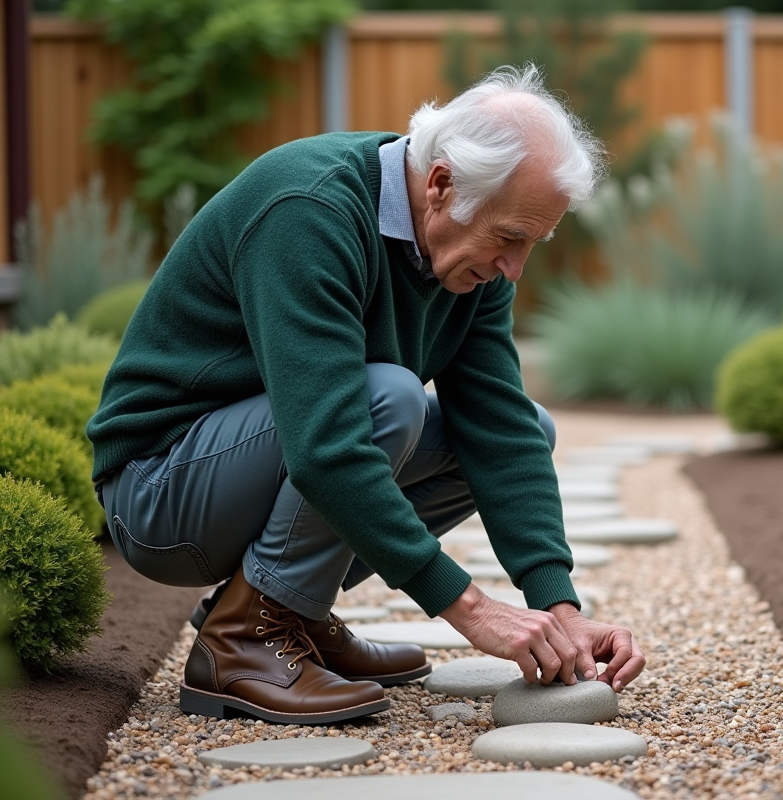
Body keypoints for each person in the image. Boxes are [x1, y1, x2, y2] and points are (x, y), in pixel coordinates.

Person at [87, 65, 646, 725]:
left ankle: (283, 608)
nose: (514, 269)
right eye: (510, 238)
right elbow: (327, 449)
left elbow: (500, 430)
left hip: (255, 462)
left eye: (532, 244)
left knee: (529, 426)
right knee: (389, 398)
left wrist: (561, 610)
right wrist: (471, 610)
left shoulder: (470, 261)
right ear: (440, 184)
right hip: (160, 490)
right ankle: (241, 642)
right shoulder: (310, 210)